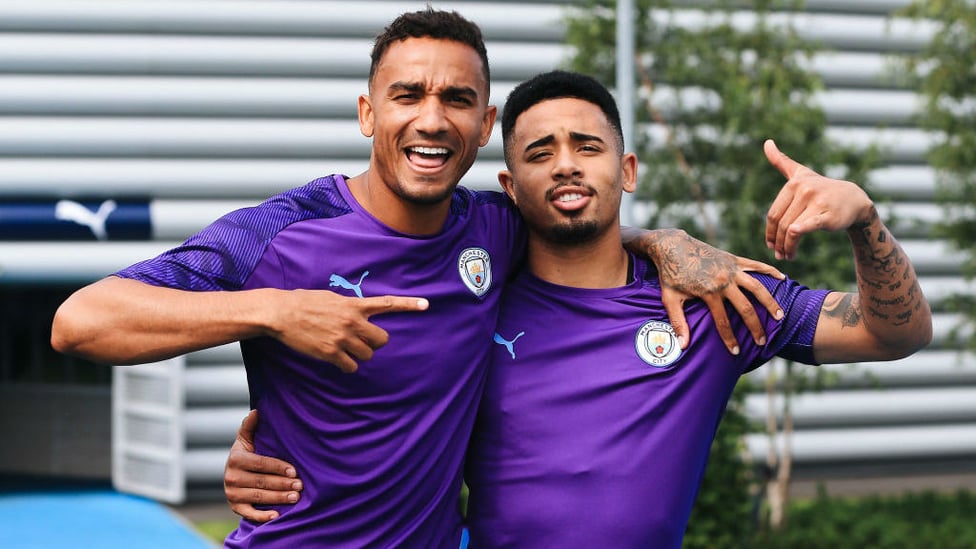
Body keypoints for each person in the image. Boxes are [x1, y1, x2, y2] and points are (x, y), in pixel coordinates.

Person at [51, 10, 781, 548]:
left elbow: (576, 222)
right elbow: (81, 320)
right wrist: (275, 312)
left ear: (484, 120)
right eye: (407, 95)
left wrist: (664, 241)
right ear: (370, 113)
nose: (431, 120)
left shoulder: (492, 230)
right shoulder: (280, 233)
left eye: (456, 100)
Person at [225, 71, 932, 548]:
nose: (565, 164)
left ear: (625, 170)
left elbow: (893, 331)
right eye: (541, 151)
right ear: (510, 183)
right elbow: (378, 415)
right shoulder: (471, 301)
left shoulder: (717, 295)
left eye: (587, 146)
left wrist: (863, 222)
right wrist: (268, 460)